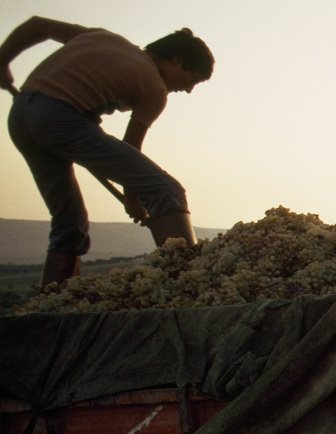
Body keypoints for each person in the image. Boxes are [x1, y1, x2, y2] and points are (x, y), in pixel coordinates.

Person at [2, 17, 213, 288]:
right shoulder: (155, 88)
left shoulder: (103, 38)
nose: (188, 89)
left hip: (22, 116)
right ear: (176, 60)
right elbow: (131, 148)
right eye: (192, 79)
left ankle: (54, 302)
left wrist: (3, 59)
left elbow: (36, 25)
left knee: (70, 223)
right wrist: (132, 199)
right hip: (60, 118)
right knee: (166, 191)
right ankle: (193, 283)